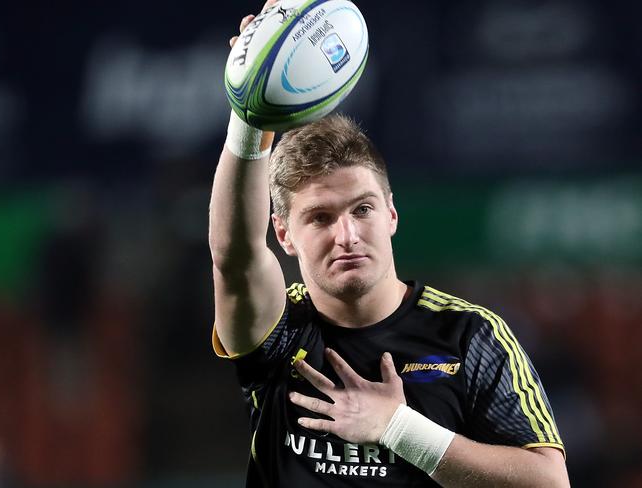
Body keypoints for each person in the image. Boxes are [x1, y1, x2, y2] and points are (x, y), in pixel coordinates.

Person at [209, 2, 569, 486]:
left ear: (392, 213)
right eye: (320, 217)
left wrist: (399, 429)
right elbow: (235, 255)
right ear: (284, 234)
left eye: (363, 209)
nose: (348, 234)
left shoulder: (469, 337)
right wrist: (249, 116)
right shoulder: (281, 332)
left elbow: (549, 482)